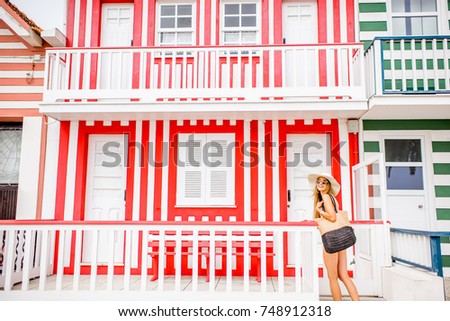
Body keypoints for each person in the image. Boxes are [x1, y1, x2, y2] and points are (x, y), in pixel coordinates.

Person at [308, 173, 360, 301]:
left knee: (332, 277)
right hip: (340, 237)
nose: (320, 184)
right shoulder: (331, 197)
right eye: (318, 181)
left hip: (331, 240)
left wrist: (319, 211)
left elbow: (332, 217)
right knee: (344, 275)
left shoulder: (325, 197)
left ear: (328, 185)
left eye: (324, 182)